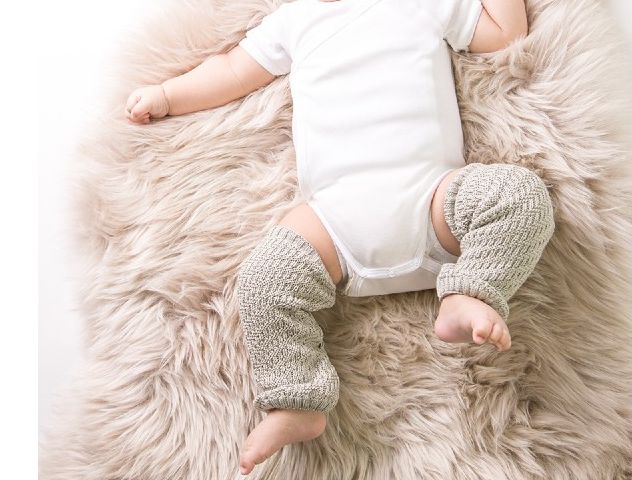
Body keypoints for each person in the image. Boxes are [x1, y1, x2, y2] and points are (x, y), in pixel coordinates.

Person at [125, 0, 555, 475]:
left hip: (432, 201)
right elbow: (230, 70)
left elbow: (505, 34)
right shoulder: (293, 22)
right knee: (264, 281)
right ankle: (296, 397)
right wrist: (168, 96)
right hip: (334, 222)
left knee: (519, 195)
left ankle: (470, 291)